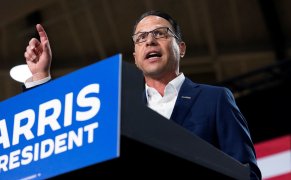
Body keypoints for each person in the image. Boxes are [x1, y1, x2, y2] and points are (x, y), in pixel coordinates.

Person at [23, 10, 261, 179]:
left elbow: (246, 172)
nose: (150, 41)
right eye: (141, 38)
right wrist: (40, 76)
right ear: (135, 57)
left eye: (160, 34)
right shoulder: (116, 110)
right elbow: (55, 137)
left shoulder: (215, 99)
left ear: (182, 48)